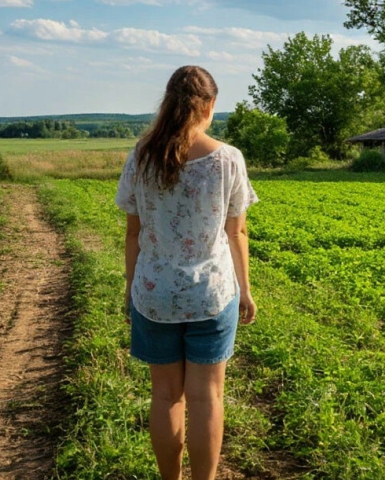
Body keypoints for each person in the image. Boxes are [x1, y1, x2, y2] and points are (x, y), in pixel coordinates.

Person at [115, 65, 258, 480]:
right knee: (208, 399)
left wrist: (130, 290)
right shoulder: (228, 159)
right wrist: (245, 290)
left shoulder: (141, 156)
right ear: (210, 105)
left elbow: (133, 233)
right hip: (212, 294)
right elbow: (237, 231)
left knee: (164, 398)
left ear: (168, 104)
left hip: (153, 294)